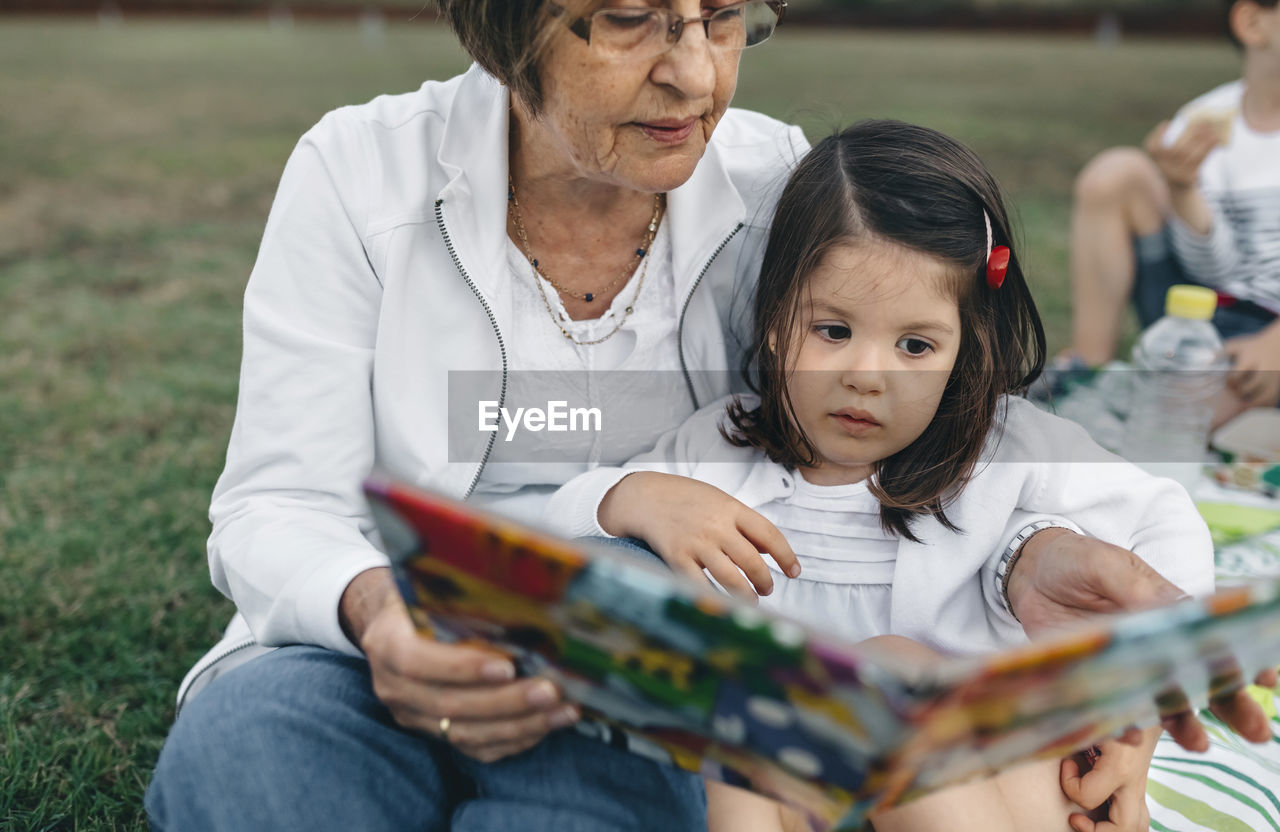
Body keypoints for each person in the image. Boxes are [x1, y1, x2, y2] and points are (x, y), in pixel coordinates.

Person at [145, 2, 1274, 829]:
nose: (692, 73)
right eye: (631, 21)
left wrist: (1034, 557)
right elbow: (277, 503)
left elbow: (916, 397)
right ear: (505, 29)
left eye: (722, 18)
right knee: (253, 768)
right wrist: (378, 616)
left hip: (637, 678)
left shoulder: (768, 181)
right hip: (362, 641)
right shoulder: (356, 175)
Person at [544, 120, 1218, 832]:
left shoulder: (1005, 451)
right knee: (731, 719)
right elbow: (556, 538)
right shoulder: (718, 448)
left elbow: (1165, 520)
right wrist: (631, 497)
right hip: (808, 793)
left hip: (978, 779)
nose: (867, 377)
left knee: (885, 672)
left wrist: (1138, 696)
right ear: (775, 320)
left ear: (964, 350)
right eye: (832, 332)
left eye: (916, 345)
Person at [1054, 0, 1280, 417]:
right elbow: (1217, 269)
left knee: (1170, 422)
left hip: (1268, 336)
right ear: (1252, 23)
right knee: (1117, 171)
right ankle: (1089, 367)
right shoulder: (1205, 123)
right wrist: (1182, 188)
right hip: (1198, 311)